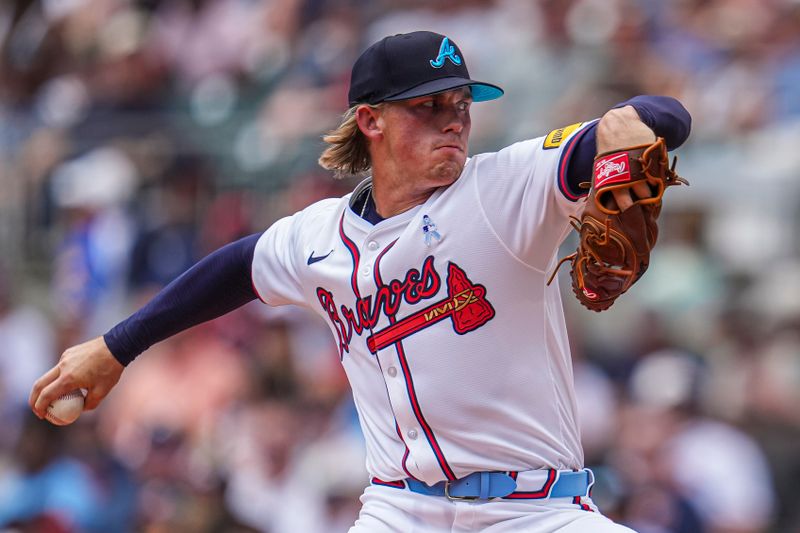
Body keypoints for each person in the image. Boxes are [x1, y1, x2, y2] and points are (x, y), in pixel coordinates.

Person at [30, 31, 691, 532]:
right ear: (371, 121)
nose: (454, 119)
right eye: (429, 106)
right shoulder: (318, 237)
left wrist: (628, 131)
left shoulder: (505, 187)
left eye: (461, 103)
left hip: (538, 510)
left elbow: (655, 119)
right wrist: (114, 347)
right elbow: (234, 268)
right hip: (398, 510)